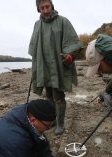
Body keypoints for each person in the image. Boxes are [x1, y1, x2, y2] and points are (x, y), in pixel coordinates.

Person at [28, 0, 82, 135]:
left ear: (52, 6)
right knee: (49, 96)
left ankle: (60, 123)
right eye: (42, 8)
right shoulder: (37, 24)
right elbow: (34, 46)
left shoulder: (63, 21)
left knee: (58, 96)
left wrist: (69, 55)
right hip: (44, 66)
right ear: (38, 9)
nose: (45, 10)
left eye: (47, 7)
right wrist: (35, 64)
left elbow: (72, 42)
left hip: (58, 65)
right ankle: (52, 119)